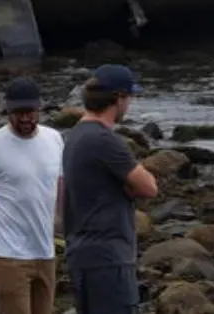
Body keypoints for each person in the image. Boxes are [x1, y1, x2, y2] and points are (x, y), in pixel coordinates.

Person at [62, 64, 159, 314]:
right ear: (118, 98)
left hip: (82, 253)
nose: (130, 104)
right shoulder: (104, 140)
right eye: (130, 97)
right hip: (108, 257)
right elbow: (149, 187)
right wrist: (128, 187)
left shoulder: (75, 136)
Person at [0, 76, 65, 314]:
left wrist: (63, 224)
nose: (24, 118)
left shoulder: (54, 139)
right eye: (17, 112)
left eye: (30, 112)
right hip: (7, 256)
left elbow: (59, 186)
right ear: (7, 111)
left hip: (45, 254)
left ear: (39, 108)